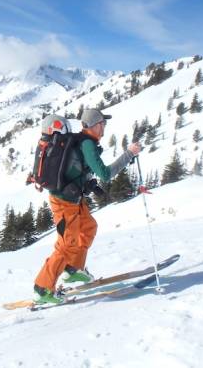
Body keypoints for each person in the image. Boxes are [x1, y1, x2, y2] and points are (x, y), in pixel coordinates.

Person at [33, 109, 142, 304]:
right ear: (93, 125)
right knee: (66, 245)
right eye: (102, 124)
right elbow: (105, 174)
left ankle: (73, 269)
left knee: (88, 228)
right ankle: (43, 289)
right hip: (64, 202)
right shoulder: (87, 144)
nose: (104, 128)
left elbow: (80, 169)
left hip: (74, 199)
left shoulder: (82, 141)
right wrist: (128, 154)